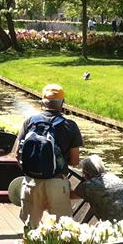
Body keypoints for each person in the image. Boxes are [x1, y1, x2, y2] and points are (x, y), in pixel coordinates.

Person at [10, 83, 83, 228]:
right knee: (62, 230)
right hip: (57, 183)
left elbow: (16, 154)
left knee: (30, 228)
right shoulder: (70, 125)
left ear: (43, 102)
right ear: (62, 103)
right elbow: (75, 161)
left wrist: (32, 169)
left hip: (32, 182)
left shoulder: (29, 122)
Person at [71, 154, 123, 222]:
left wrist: (65, 181)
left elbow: (71, 195)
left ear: (86, 172)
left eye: (83, 173)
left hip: (119, 226)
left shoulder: (88, 185)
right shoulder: (112, 176)